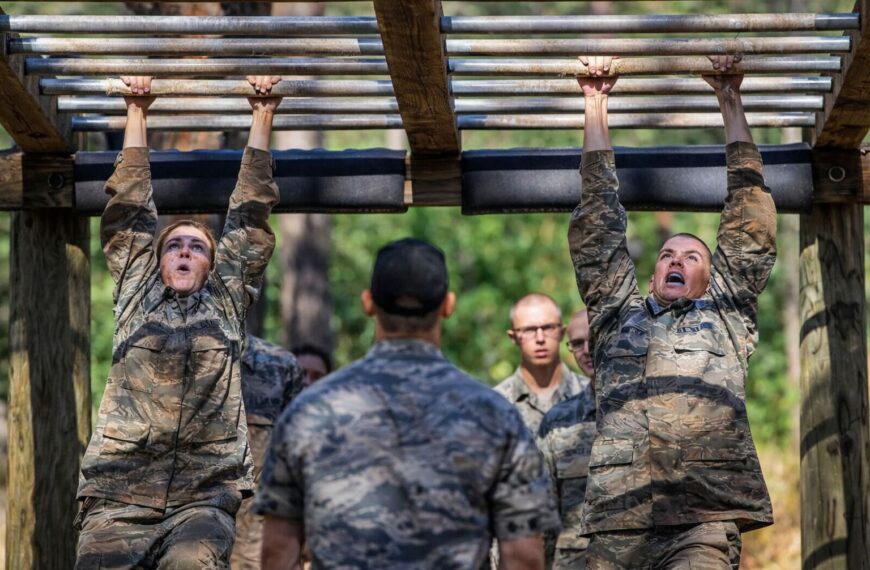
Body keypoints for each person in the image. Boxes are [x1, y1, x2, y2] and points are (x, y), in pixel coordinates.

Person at [569, 54, 775, 568]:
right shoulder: (617, 315)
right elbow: (598, 224)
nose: (676, 260)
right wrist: (595, 103)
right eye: (667, 255)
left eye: (692, 256)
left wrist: (730, 99)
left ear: (710, 276)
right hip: (617, 523)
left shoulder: (726, 314)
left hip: (701, 523)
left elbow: (750, 223)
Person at [74, 74, 283, 569]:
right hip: (118, 495)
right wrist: (137, 111)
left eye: (197, 247)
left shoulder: (226, 300)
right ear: (158, 260)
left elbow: (249, 217)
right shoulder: (135, 294)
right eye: (175, 245)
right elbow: (129, 210)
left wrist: (262, 115)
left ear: (213, 265)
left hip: (202, 498)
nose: (186, 251)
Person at [254, 238, 560, 570]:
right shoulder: (496, 415)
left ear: (368, 303)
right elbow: (524, 557)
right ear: (448, 305)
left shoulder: (309, 411)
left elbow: (277, 551)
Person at [231, 336, 305, 570]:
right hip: (186, 536)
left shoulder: (279, 365)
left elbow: (296, 464)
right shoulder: (170, 353)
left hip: (256, 542)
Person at [537, 309, 597, 569]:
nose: (586, 350)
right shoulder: (557, 422)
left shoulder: (650, 407)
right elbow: (543, 516)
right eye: (576, 343)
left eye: (593, 339)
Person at [494, 293, 589, 435]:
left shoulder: (592, 395)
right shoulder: (495, 404)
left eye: (548, 328)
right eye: (529, 330)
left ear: (562, 332)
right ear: (513, 337)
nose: (540, 338)